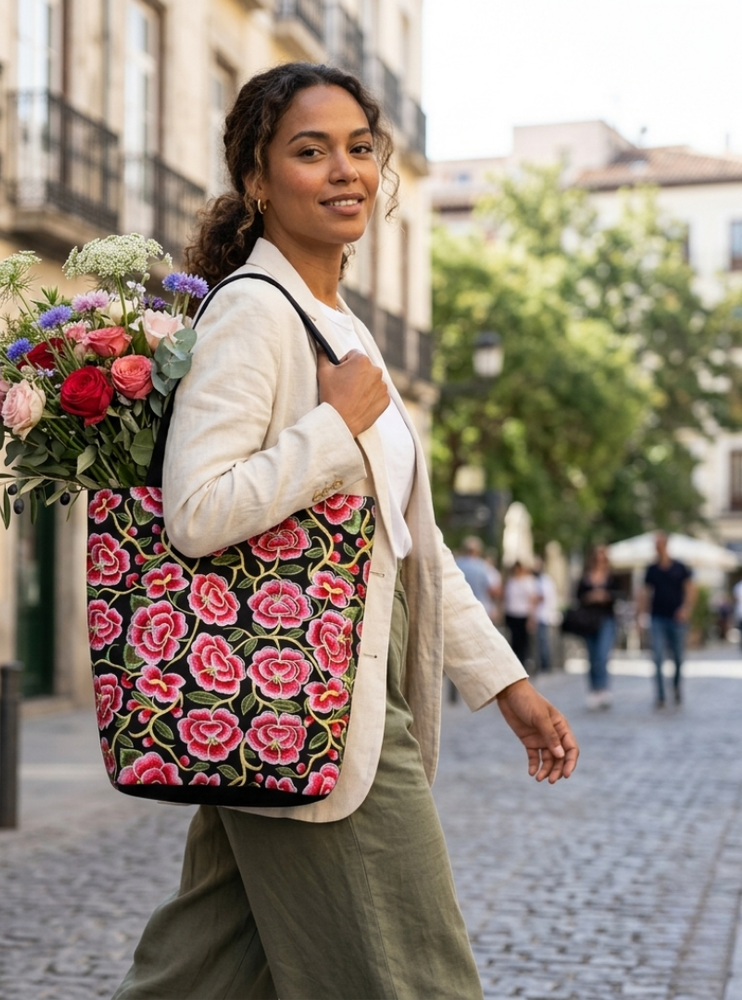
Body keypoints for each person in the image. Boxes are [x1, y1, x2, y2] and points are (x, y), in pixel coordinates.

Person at [112, 63, 579, 1000]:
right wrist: (335, 430)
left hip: (290, 707)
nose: (344, 171)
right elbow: (197, 511)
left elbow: (414, 539)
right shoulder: (253, 311)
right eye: (310, 150)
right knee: (418, 979)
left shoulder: (344, 328)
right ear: (257, 179)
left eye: (360, 148)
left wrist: (507, 684)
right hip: (308, 697)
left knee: (198, 980)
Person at [639, 531, 695, 707]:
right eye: (656, 544)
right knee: (657, 655)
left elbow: (691, 589)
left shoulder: (680, 567)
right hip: (657, 617)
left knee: (678, 657)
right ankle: (661, 695)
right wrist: (640, 615)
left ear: (666, 544)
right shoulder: (652, 569)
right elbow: (645, 593)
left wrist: (685, 609)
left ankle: (676, 687)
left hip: (676, 618)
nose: (658, 547)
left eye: (660, 543)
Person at [576, 545, 619, 709]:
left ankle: (603, 689)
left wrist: (605, 596)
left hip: (606, 620)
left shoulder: (611, 578)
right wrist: (590, 597)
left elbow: (618, 596)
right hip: (588, 621)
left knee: (602, 655)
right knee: (592, 657)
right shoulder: (585, 577)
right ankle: (593, 690)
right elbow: (578, 596)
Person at [503, 561, 539, 669]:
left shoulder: (528, 581)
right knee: (513, 640)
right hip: (511, 613)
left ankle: (523, 664)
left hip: (523, 614)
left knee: (523, 642)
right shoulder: (510, 581)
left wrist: (532, 617)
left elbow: (532, 599)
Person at [455, 535, 501, 619]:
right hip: (481, 608)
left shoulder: (457, 564)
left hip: (460, 608)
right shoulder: (484, 566)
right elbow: (492, 589)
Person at [534, 558, 560, 674]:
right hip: (538, 615)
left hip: (543, 615)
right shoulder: (536, 580)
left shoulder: (545, 581)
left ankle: (545, 665)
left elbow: (543, 596)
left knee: (543, 641)